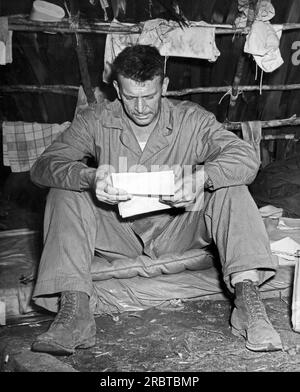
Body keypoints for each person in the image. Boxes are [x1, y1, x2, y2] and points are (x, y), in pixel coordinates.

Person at [30, 44, 282, 356]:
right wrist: (90, 177)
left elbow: (245, 157)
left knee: (231, 187)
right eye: (130, 96)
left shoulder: (191, 119)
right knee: (65, 190)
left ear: (163, 86)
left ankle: (249, 307)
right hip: (118, 233)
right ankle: (74, 315)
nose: (139, 107)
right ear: (116, 89)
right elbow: (44, 166)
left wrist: (202, 176)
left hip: (178, 228)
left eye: (149, 96)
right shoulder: (95, 119)